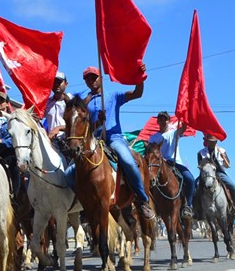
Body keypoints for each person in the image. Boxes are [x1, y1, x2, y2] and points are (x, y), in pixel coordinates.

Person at [80, 65, 155, 220]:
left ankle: (142, 200)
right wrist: (97, 123)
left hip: (114, 138)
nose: (91, 80)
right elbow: (84, 126)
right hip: (94, 139)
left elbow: (137, 93)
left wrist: (140, 77)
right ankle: (81, 205)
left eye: (94, 77)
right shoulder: (84, 103)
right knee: (71, 170)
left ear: (101, 79)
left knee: (128, 162)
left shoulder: (113, 96)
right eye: (88, 78)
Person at [146, 111, 196, 218]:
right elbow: (150, 151)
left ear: (169, 121)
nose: (163, 121)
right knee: (145, 180)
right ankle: (147, 204)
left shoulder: (173, 133)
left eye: (165, 119)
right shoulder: (153, 137)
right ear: (157, 122)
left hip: (174, 162)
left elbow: (183, 128)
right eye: (160, 119)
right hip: (157, 164)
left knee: (190, 179)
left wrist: (184, 117)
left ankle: (188, 205)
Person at [195, 134, 235, 219]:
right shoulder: (201, 153)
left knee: (233, 186)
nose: (212, 143)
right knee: (195, 186)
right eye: (210, 142)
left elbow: (227, 165)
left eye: (214, 142)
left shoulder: (222, 151)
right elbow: (200, 166)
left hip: (220, 173)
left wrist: (224, 158)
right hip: (207, 174)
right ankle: (197, 211)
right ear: (207, 142)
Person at [0, 92, 20, 196]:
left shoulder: (13, 120)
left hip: (9, 152)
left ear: (7, 103)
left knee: (15, 169)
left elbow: (17, 138)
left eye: (1, 101)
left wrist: (2, 141)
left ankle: (15, 196)